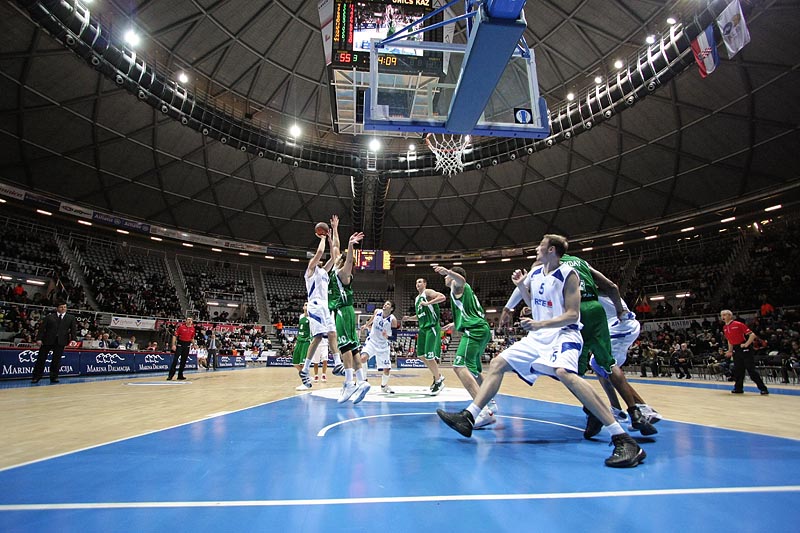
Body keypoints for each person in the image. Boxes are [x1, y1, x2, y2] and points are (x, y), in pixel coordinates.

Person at [436, 234, 646, 468]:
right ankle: (470, 416)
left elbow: (572, 315)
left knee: (566, 374)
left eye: (541, 246)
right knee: (498, 363)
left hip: (564, 334)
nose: (536, 249)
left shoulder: (569, 275)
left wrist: (540, 324)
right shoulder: (536, 274)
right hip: (539, 336)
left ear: (553, 251)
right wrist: (520, 288)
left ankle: (624, 440)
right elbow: (533, 303)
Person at [558, 252, 657, 437]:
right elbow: (612, 286)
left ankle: (641, 410)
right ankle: (623, 410)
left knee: (587, 368)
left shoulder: (564, 278)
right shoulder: (584, 269)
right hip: (610, 323)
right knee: (603, 365)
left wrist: (621, 312)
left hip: (619, 326)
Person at [434, 265, 496, 427]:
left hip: (474, 331)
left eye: (447, 276)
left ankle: (482, 412)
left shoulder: (457, 285)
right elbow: (469, 311)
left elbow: (461, 280)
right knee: (475, 371)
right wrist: (455, 323)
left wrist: (448, 272)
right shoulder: (463, 292)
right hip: (482, 329)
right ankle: (490, 402)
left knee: (458, 366)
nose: (445, 278)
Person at [297, 216, 350, 389]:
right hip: (315, 305)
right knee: (318, 336)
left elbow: (332, 259)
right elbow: (319, 254)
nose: (318, 260)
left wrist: (330, 238)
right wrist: (320, 238)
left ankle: (337, 363)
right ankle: (305, 369)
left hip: (325, 306)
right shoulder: (310, 271)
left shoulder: (323, 272)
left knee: (332, 333)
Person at [327, 218, 368, 403]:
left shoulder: (343, 273)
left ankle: (349, 383)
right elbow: (335, 246)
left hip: (343, 312)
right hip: (348, 312)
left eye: (338, 256)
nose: (335, 254)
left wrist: (351, 246)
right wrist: (335, 229)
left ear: (340, 261)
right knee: (353, 347)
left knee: (344, 346)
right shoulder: (335, 269)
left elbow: (349, 260)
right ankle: (361, 381)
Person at [403, 277, 447, 394]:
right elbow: (419, 316)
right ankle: (439, 376)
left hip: (432, 327)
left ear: (425, 284)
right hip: (422, 329)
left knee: (429, 356)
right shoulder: (417, 299)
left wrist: (428, 303)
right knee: (421, 355)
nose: (417, 284)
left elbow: (442, 297)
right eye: (416, 282)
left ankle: (438, 381)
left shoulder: (427, 292)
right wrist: (409, 318)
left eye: (420, 282)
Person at [720, 309, 769, 395]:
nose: (723, 317)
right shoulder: (724, 327)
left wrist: (746, 344)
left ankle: (763, 388)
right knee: (738, 370)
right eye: (722, 315)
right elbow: (729, 340)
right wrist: (730, 350)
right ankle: (738, 388)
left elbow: (752, 335)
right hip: (736, 349)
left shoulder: (738, 324)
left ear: (730, 316)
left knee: (751, 370)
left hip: (744, 348)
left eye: (725, 315)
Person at [30, 300, 78, 384]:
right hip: (47, 340)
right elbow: (42, 329)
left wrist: (74, 339)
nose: (63, 308)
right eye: (61, 307)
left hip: (61, 341)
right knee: (41, 359)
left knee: (56, 360)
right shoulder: (49, 317)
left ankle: (54, 376)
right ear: (57, 308)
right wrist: (39, 339)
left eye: (65, 307)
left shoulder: (71, 318)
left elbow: (73, 330)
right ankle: (36, 376)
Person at [360, 300, 398, 393]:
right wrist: (366, 325)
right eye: (385, 303)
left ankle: (384, 386)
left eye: (388, 304)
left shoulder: (393, 320)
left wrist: (387, 336)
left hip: (383, 345)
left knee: (387, 369)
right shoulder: (377, 311)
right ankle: (364, 381)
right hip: (372, 341)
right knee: (363, 358)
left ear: (391, 308)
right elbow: (372, 319)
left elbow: (394, 337)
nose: (385, 304)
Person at [292, 302, 312, 391]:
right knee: (295, 363)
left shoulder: (311, 318)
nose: (306, 306)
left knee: (303, 364)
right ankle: (307, 377)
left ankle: (305, 382)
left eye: (308, 305)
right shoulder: (301, 316)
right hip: (299, 340)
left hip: (306, 341)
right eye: (305, 304)